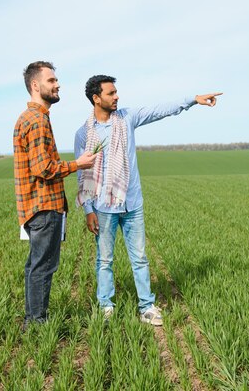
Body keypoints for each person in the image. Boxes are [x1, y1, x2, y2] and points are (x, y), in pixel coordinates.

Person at [74, 74, 221, 326]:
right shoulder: (84, 134)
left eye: (116, 92)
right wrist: (88, 209)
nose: (117, 96)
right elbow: (83, 174)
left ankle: (146, 306)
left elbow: (159, 110)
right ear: (96, 99)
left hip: (132, 203)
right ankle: (106, 306)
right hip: (104, 207)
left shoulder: (127, 118)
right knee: (104, 260)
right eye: (111, 93)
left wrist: (193, 100)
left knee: (140, 257)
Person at [13, 61, 96, 329]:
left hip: (38, 206)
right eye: (51, 80)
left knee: (36, 266)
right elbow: (42, 168)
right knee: (42, 267)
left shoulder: (33, 118)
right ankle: (36, 322)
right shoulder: (36, 120)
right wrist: (78, 164)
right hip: (43, 206)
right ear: (35, 86)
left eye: (56, 80)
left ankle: (33, 319)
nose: (57, 84)